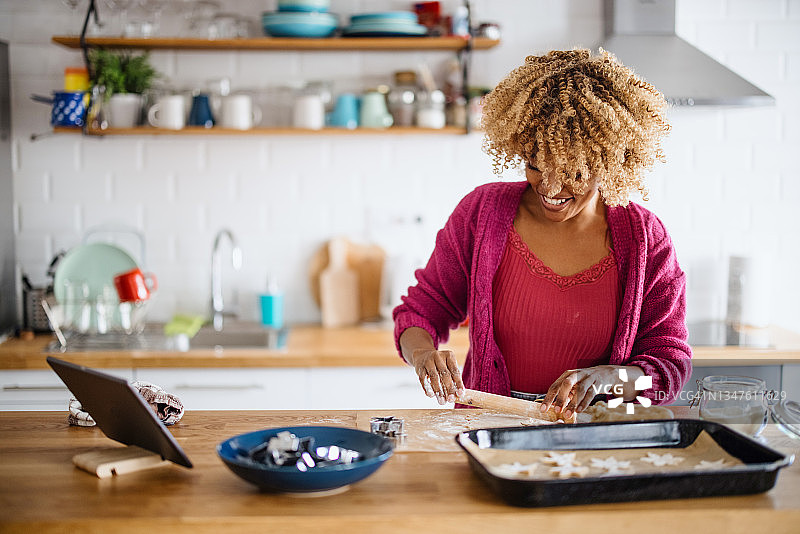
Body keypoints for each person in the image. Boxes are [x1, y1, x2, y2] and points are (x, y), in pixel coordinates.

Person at [393, 49, 692, 419]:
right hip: (487, 426)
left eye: (573, 172)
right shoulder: (482, 213)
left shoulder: (645, 239)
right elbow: (421, 311)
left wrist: (607, 380)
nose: (549, 186)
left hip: (595, 440)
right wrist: (423, 355)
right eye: (535, 164)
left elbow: (668, 370)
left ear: (610, 161)